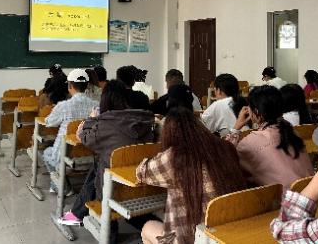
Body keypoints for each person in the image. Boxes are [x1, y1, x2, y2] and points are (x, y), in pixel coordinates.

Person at [137, 107, 247, 244]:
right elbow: (229, 143)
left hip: (189, 239)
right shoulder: (224, 148)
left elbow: (141, 172)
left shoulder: (173, 157)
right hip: (224, 234)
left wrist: (159, 154)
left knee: (147, 227)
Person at [58, 79, 154, 237]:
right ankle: (77, 214)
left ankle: (102, 227)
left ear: (105, 99)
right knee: (102, 163)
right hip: (144, 186)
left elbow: (83, 137)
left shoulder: (105, 124)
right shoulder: (145, 120)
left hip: (114, 191)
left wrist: (92, 119)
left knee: (100, 165)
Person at [227, 85, 313, 190]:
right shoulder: (292, 132)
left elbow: (225, 158)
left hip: (285, 198)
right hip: (311, 192)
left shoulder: (249, 143)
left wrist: (236, 127)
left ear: (256, 112)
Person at [43, 69, 98, 194]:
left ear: (69, 86)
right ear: (87, 86)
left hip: (65, 155)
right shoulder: (96, 105)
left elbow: (49, 122)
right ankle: (59, 185)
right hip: (90, 154)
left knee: (47, 153)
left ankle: (63, 187)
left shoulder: (64, 106)